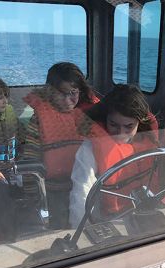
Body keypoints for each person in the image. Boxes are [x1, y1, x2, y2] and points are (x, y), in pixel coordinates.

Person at [69, 84, 158, 228]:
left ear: (139, 122)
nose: (121, 132)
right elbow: (81, 193)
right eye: (114, 124)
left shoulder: (149, 142)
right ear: (105, 118)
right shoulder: (90, 148)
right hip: (108, 222)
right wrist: (81, 232)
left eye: (129, 126)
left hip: (146, 214)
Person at [23, 62, 99, 229]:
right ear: (50, 91)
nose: (68, 99)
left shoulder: (87, 116)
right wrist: (33, 198)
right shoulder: (38, 120)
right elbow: (30, 162)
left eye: (73, 93)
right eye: (61, 94)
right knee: (59, 231)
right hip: (53, 193)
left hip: (85, 188)